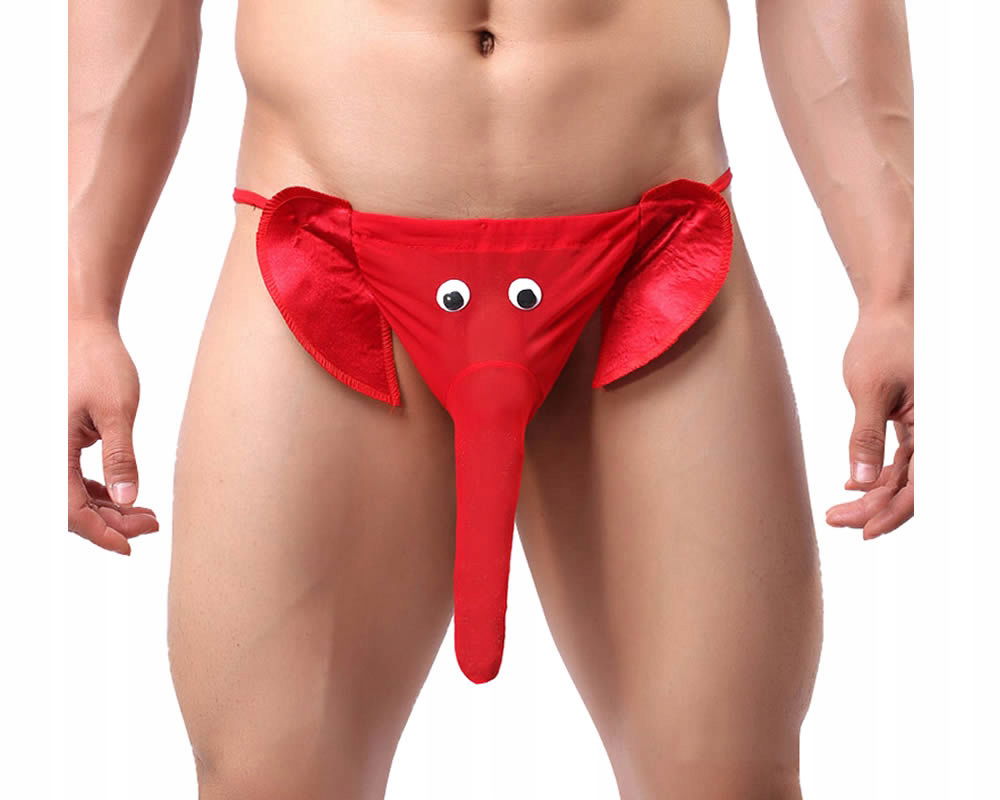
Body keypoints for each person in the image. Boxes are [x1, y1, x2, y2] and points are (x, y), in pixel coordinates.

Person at [68, 1, 914, 797]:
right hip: (322, 254)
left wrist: (897, 294)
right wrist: (80, 309)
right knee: (271, 776)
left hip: (656, 254)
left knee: (725, 778)